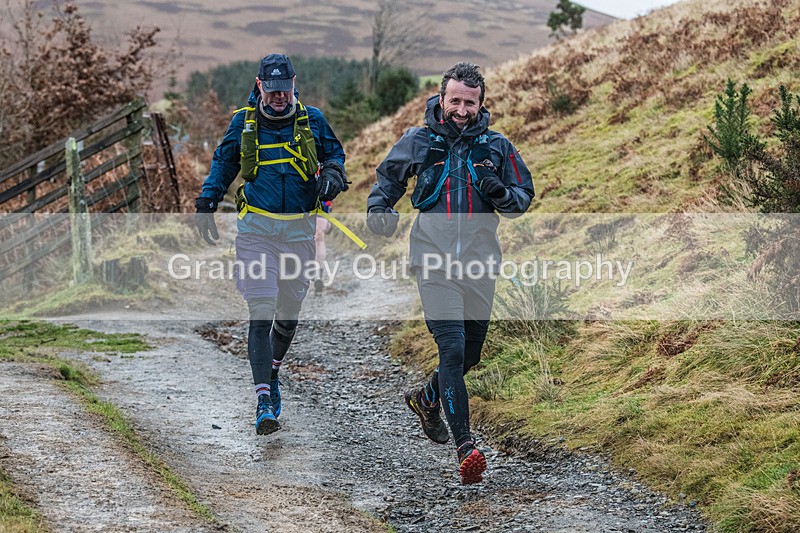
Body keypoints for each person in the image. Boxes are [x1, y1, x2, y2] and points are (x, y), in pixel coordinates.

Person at [365, 62, 534, 484]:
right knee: (453, 349)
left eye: (469, 103)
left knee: (470, 354)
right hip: (433, 261)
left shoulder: (498, 147)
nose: (461, 110)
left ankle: (426, 398)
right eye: (454, 100)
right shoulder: (418, 140)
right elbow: (387, 181)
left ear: (481, 104)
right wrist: (379, 209)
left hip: (480, 265)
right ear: (442, 99)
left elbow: (522, 200)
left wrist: (500, 192)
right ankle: (466, 448)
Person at [195, 53, 348, 435]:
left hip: (298, 233)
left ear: (294, 84)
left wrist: (332, 175)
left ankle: (273, 372)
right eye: (272, 89)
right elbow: (223, 163)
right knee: (261, 311)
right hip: (257, 234)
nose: (279, 96)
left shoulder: (312, 120)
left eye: (285, 89)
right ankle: (263, 401)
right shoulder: (243, 122)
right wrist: (207, 202)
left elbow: (335, 155)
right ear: (260, 85)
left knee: (289, 315)